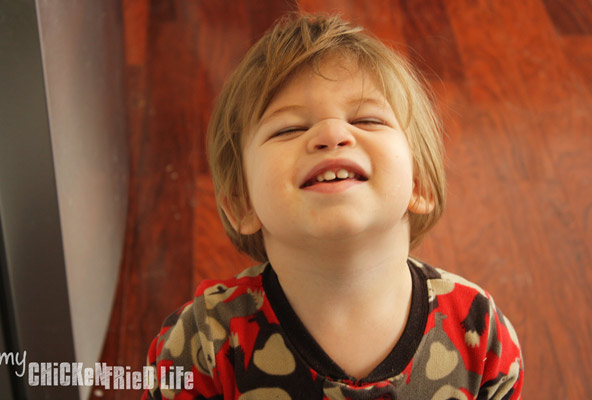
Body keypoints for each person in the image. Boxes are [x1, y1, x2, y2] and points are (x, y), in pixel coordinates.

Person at [142, 13, 523, 400]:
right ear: (242, 204)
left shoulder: (478, 330)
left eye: (366, 119)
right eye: (289, 129)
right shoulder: (203, 343)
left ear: (419, 182)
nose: (331, 134)